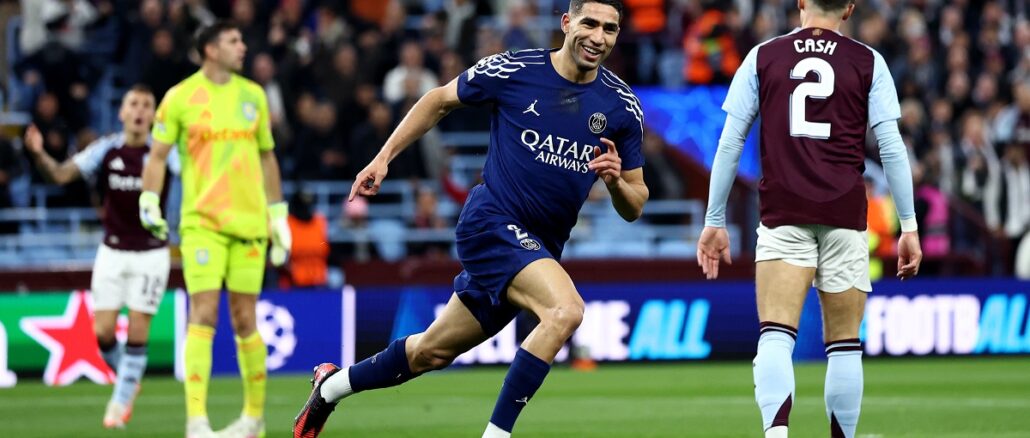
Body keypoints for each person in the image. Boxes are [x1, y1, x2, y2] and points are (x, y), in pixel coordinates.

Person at [294, 1, 648, 437]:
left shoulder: (622, 107)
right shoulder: (515, 69)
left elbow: (635, 204)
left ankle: (330, 387)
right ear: (566, 23)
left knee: (430, 353)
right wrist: (383, 158)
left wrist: (615, 182)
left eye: (609, 29)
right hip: (491, 223)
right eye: (589, 23)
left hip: (538, 250)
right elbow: (438, 99)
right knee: (565, 310)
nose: (598, 37)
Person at [696, 1, 923, 438]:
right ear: (849, 8)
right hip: (845, 213)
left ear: (801, 1)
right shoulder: (868, 61)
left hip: (784, 211)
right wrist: (909, 225)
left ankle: (776, 434)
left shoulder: (763, 56)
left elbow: (730, 142)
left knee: (776, 333)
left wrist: (714, 218)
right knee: (844, 344)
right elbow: (892, 147)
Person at [138, 21, 290, 438]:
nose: (243, 47)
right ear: (209, 48)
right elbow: (157, 156)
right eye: (233, 41)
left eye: (242, 39)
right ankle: (197, 422)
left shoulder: (253, 95)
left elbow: (267, 157)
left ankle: (253, 420)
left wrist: (278, 214)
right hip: (202, 224)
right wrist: (148, 198)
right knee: (203, 312)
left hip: (249, 224)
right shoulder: (180, 97)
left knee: (245, 319)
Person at [24, 85, 175, 429]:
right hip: (112, 251)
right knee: (103, 333)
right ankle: (129, 376)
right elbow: (60, 174)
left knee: (138, 328)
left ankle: (119, 403)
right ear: (122, 113)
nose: (139, 110)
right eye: (133, 104)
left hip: (151, 253)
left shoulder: (165, 152)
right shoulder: (107, 150)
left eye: (146, 105)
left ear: (154, 116)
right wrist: (39, 154)